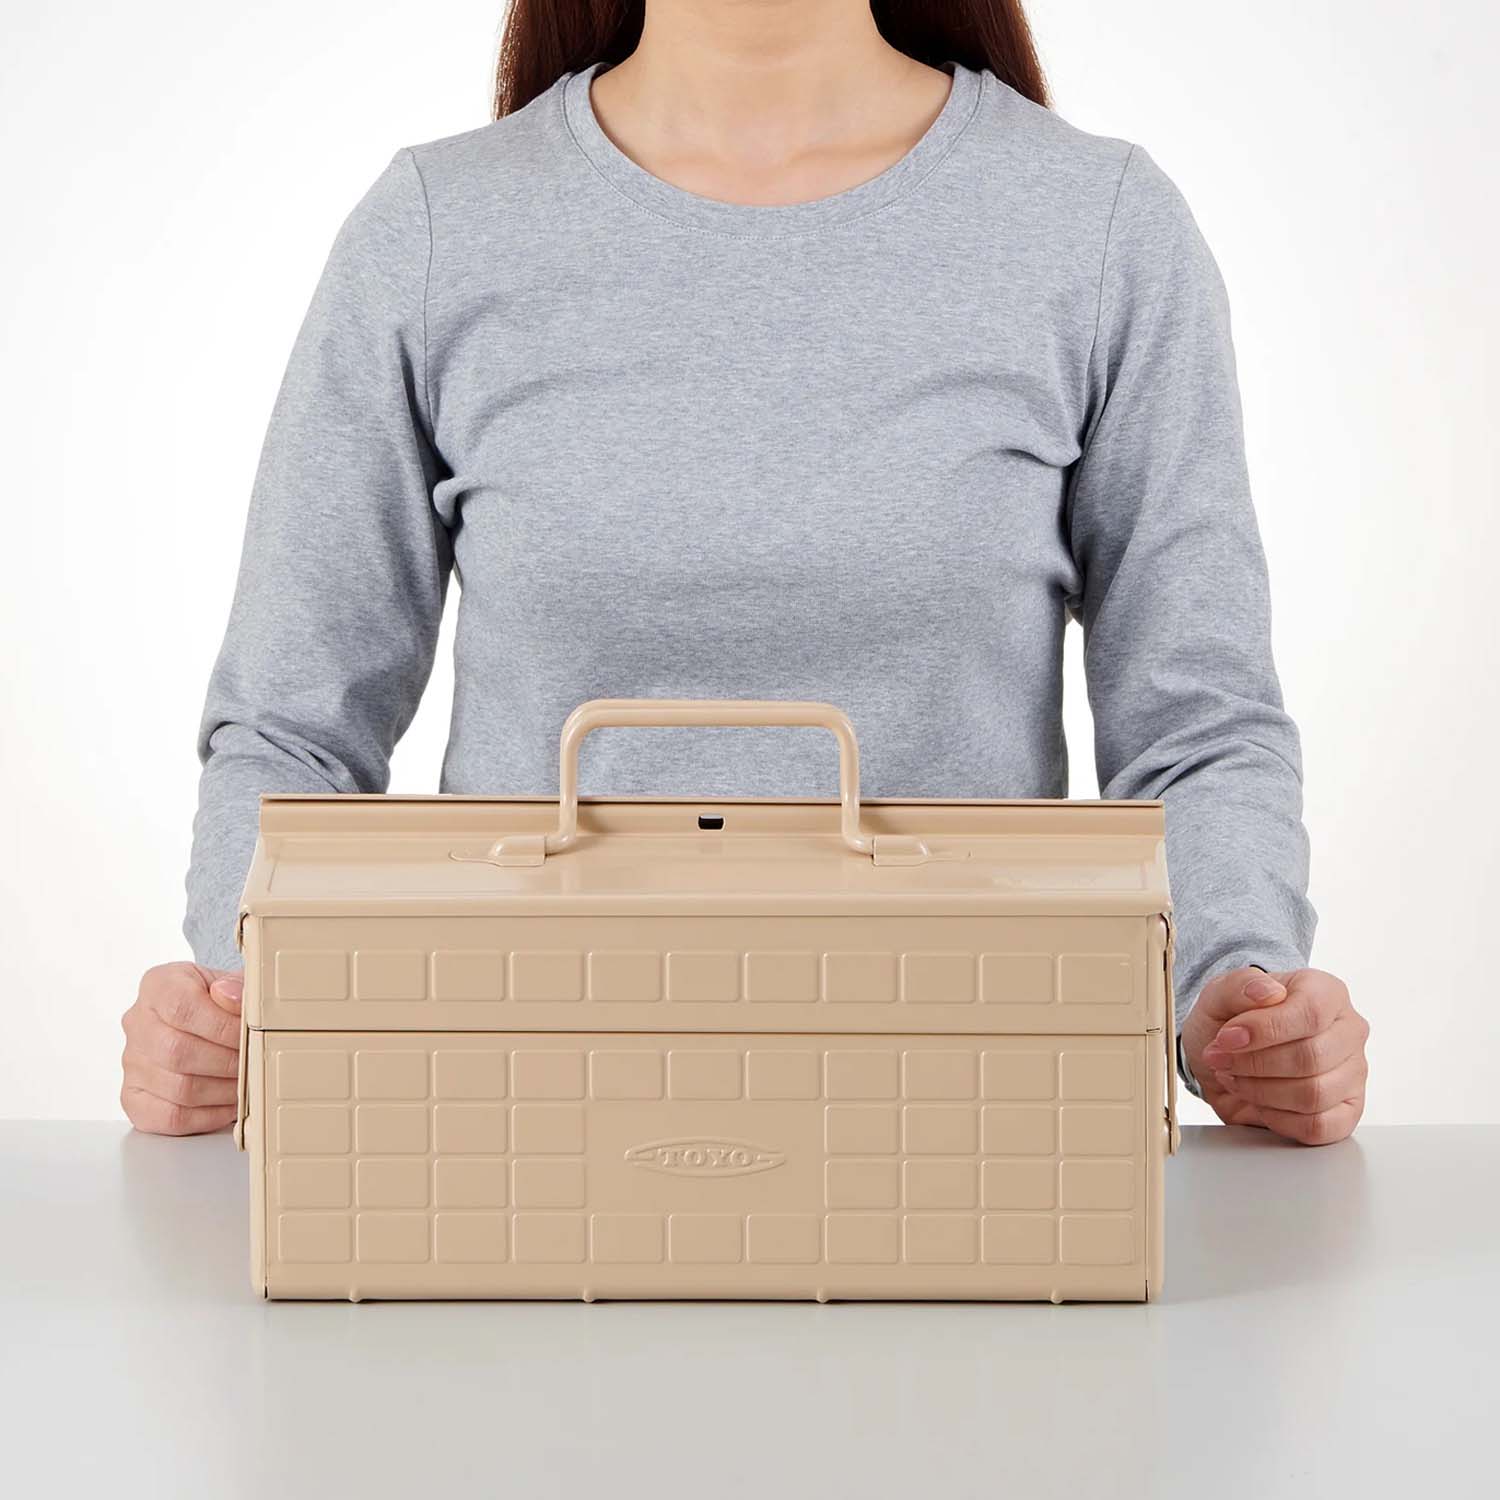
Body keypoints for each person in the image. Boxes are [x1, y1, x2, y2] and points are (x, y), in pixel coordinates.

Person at [119, 0, 1370, 1143]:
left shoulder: (1096, 225)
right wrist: (240, 994)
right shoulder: (437, 227)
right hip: (522, 1115)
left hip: (962, 1115)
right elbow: (291, 727)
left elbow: (1198, 720)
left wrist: (1234, 993)